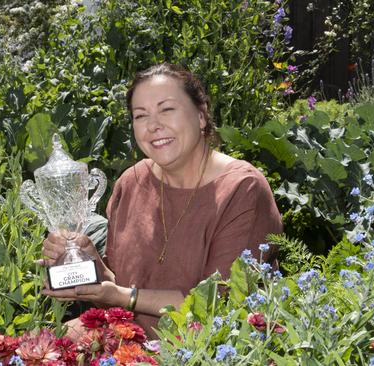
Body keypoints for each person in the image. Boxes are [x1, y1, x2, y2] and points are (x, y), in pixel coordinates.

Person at [41, 63, 283, 339]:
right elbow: (116, 293)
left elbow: (217, 305)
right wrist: (90, 266)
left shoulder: (242, 189)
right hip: (124, 343)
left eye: (167, 109)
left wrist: (124, 296)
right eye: (140, 115)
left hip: (203, 352)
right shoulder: (130, 183)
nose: (153, 126)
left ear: (202, 115)